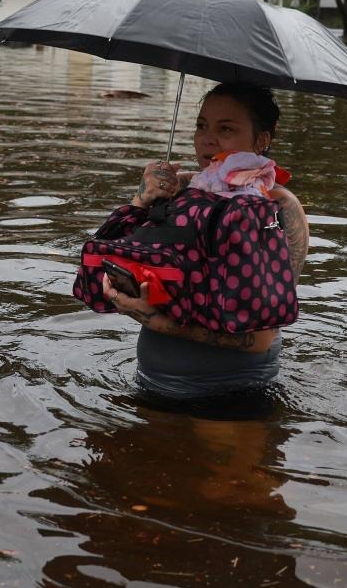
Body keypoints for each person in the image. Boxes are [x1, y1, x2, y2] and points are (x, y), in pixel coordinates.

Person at [100, 82, 310, 399]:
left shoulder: (277, 208)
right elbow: (112, 256)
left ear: (261, 140)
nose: (207, 139)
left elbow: (260, 338)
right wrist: (142, 199)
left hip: (233, 391)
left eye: (225, 129)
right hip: (153, 380)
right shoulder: (180, 191)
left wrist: (157, 322)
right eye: (201, 125)